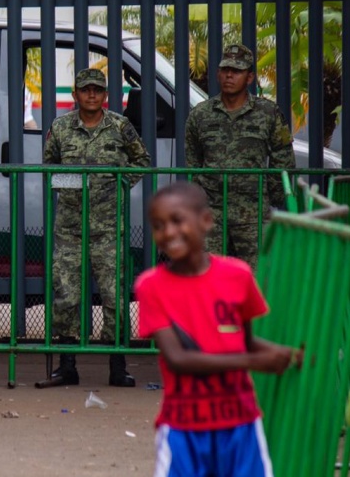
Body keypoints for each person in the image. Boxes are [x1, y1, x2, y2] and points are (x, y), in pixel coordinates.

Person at [135, 181, 298, 476]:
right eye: (158, 225)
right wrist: (254, 362)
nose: (168, 232)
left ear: (206, 221)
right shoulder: (150, 286)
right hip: (183, 428)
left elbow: (245, 342)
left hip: (241, 423)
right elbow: (178, 360)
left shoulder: (238, 275)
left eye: (177, 220)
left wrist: (290, 356)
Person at [38, 67, 151, 389]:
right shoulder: (60, 128)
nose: (91, 95)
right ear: (75, 94)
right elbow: (49, 168)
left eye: (97, 90)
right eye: (85, 90)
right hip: (69, 225)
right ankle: (67, 364)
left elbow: (141, 161)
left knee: (114, 295)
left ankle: (118, 365)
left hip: (108, 225)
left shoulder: (119, 126)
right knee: (66, 295)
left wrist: (117, 186)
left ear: (105, 96)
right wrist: (74, 188)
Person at [185, 44, 295, 271]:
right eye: (225, 70)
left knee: (258, 280)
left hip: (252, 213)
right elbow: (193, 159)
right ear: (217, 73)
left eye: (237, 71)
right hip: (211, 213)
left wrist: (273, 196)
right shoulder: (200, 115)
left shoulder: (268, 113)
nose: (229, 75)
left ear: (250, 77)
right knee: (207, 279)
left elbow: (283, 156)